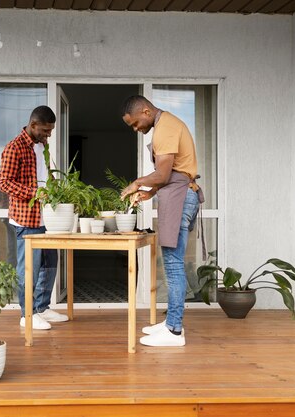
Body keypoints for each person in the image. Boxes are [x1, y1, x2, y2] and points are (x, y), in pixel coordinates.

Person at [120, 95, 204, 347]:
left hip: (180, 196)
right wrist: (150, 192)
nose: (137, 129)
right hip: (178, 193)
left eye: (136, 124)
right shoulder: (166, 124)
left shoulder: (165, 127)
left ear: (146, 111)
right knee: (172, 262)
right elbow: (170, 174)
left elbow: (164, 173)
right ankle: (170, 324)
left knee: (174, 263)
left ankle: (174, 330)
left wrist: (137, 182)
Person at [0, 105, 68, 330]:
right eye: (46, 130)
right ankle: (26, 314)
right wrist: (35, 193)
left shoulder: (42, 145)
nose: (48, 135)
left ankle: (42, 307)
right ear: (33, 124)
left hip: (46, 217)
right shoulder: (14, 148)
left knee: (50, 263)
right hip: (26, 218)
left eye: (50, 131)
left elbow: (44, 176)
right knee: (29, 266)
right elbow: (4, 182)